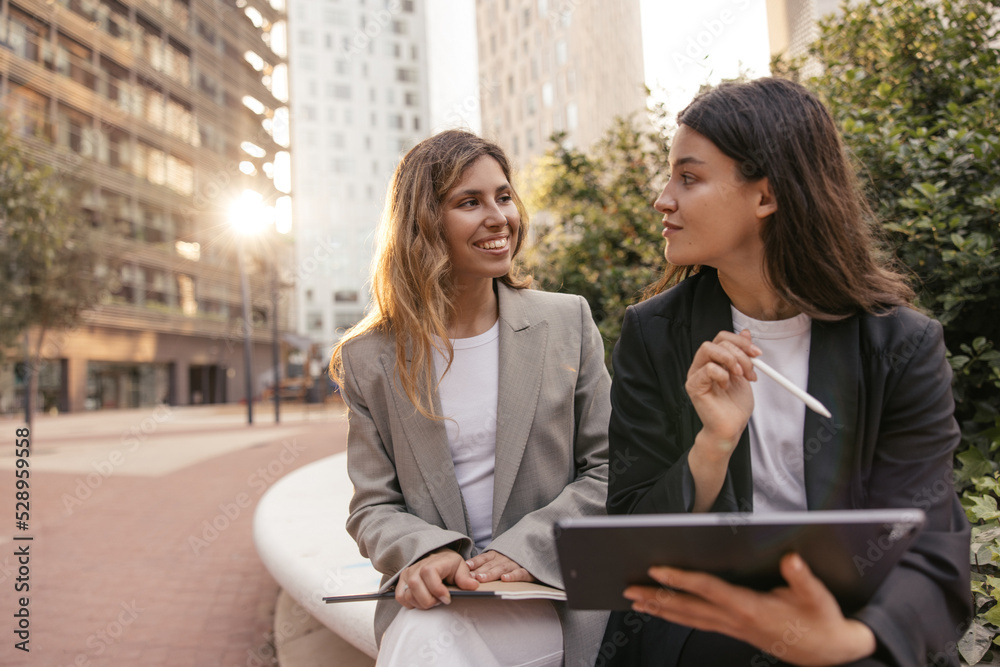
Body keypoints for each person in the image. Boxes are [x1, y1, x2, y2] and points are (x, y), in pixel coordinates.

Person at [598, 78, 971, 666]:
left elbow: (930, 545)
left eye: (688, 178)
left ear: (766, 197)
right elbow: (633, 537)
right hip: (706, 626)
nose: (663, 199)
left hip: (852, 624)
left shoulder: (900, 345)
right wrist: (712, 447)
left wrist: (851, 640)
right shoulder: (653, 336)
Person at [330, 129, 611, 666]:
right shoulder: (370, 359)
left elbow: (610, 470)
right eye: (469, 202)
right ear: (424, 224)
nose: (499, 217)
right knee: (429, 645)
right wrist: (429, 552)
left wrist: (522, 550)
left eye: (504, 196)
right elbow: (373, 506)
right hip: (439, 597)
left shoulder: (566, 321)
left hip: (553, 592)